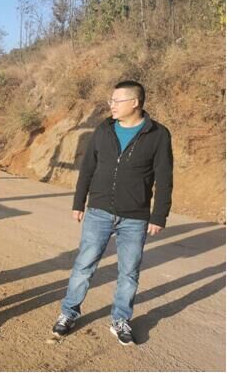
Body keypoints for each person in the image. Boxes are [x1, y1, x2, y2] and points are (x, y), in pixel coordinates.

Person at [52, 80, 173, 345]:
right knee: (84, 265)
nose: (112, 105)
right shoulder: (104, 129)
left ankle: (120, 319)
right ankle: (68, 313)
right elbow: (87, 168)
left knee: (129, 272)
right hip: (99, 211)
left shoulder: (158, 134)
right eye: (111, 100)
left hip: (135, 216)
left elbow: (164, 178)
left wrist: (159, 215)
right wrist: (78, 202)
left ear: (135, 103)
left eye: (117, 101)